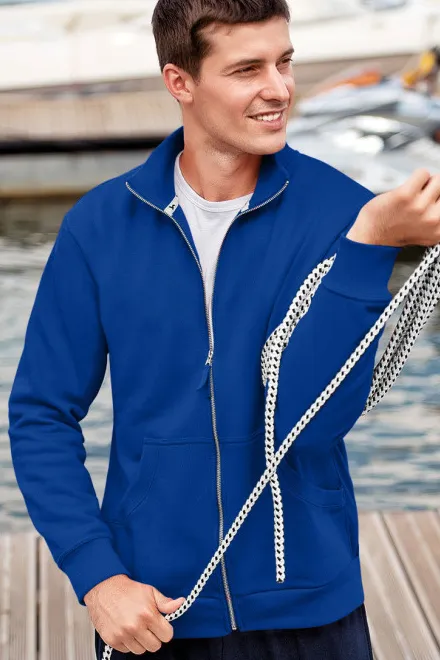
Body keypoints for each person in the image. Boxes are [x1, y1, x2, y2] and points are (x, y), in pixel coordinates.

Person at [7, 1, 440, 658]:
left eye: (284, 62)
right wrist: (97, 577)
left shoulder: (346, 216)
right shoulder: (99, 227)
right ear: (180, 81)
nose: (280, 88)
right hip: (156, 605)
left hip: (311, 605)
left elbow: (309, 423)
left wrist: (369, 249)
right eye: (247, 69)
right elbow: (41, 414)